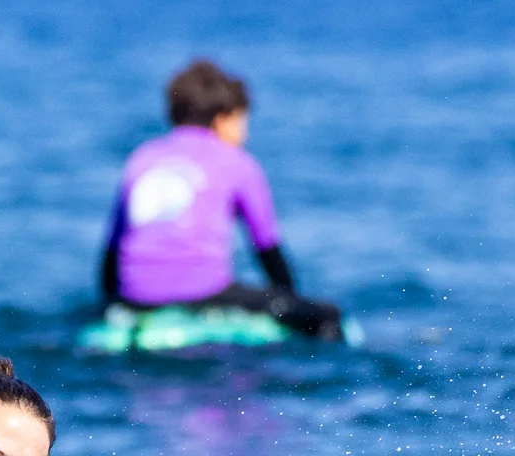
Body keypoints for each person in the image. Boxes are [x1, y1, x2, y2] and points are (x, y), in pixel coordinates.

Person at [99, 59, 344, 341]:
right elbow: (267, 249)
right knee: (328, 316)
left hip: (133, 299)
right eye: (242, 121)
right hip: (203, 296)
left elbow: (111, 254)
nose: (245, 132)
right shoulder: (237, 162)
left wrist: (110, 305)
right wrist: (288, 301)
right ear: (222, 118)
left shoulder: (142, 157)